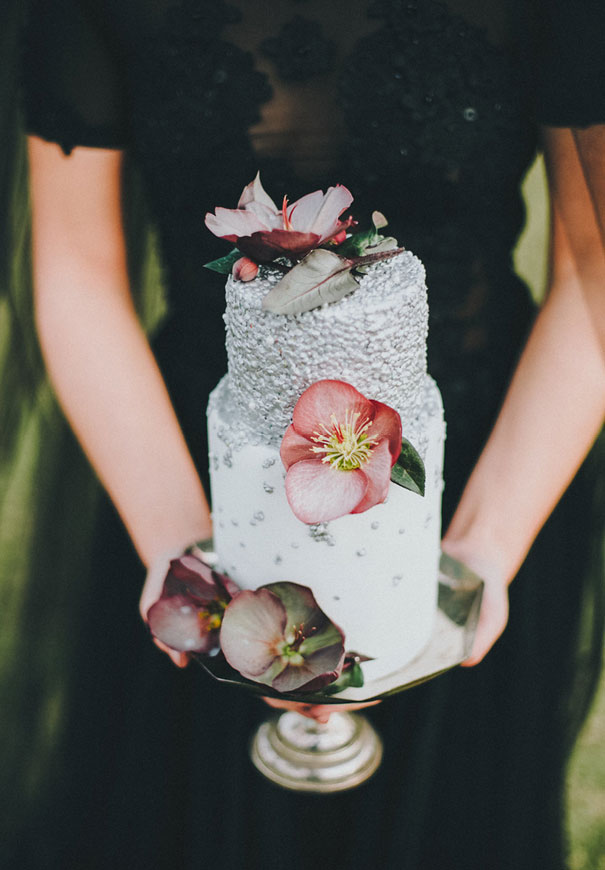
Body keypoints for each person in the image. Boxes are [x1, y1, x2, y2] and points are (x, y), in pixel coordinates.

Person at [2, 0, 605, 867]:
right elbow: (78, 272)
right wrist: (189, 559)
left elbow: (592, 273)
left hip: (475, 458)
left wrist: (477, 555)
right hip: (191, 463)